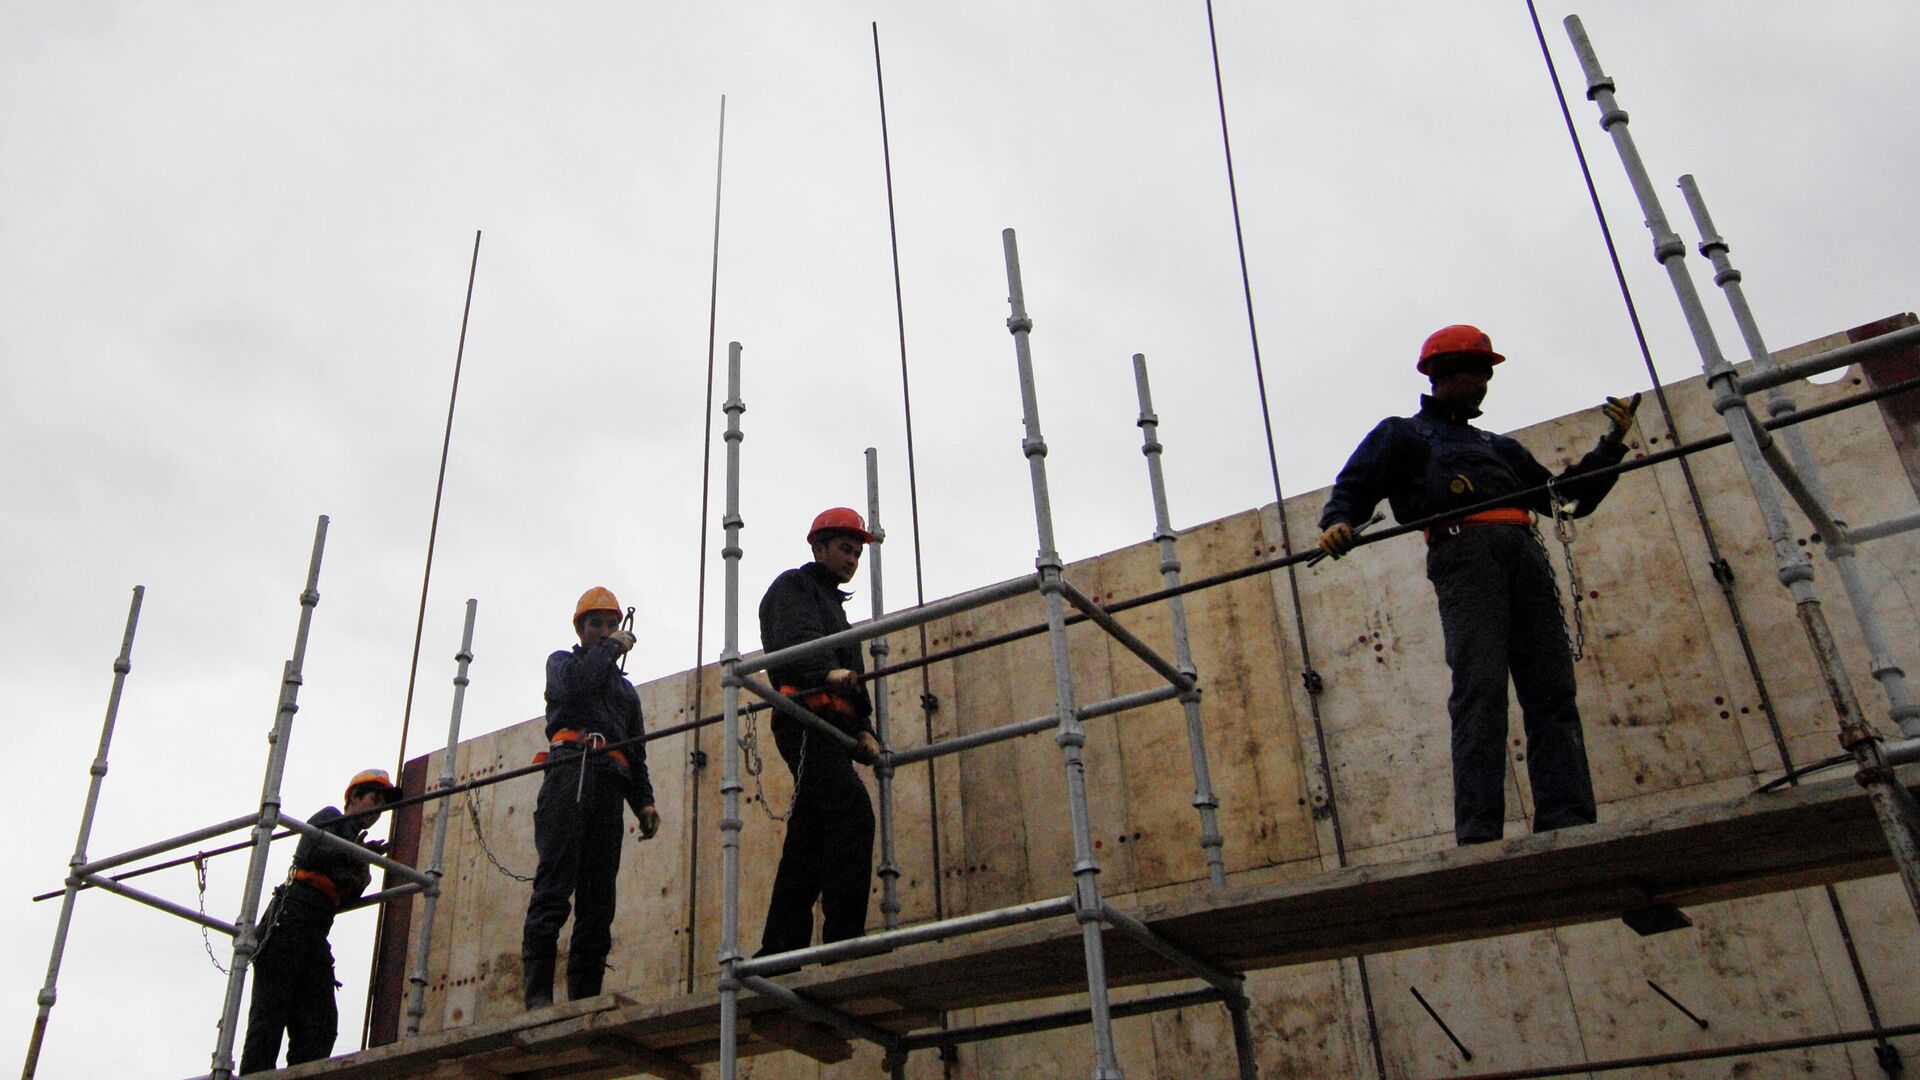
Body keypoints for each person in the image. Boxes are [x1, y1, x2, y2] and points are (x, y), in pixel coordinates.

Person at [1317, 324, 1639, 845]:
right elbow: (1355, 485)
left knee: (1552, 692)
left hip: (1523, 552)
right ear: (1442, 376)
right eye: (1474, 372)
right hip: (1464, 553)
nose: (1483, 383)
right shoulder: (1402, 434)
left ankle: (1568, 820)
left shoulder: (1499, 447)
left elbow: (1564, 497)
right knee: (1480, 690)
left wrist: (1610, 445)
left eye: (1486, 373)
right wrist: (1339, 521)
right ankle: (1480, 831)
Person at [521, 587, 661, 1009]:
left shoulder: (626, 693)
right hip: (569, 773)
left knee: (599, 899)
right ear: (580, 629)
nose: (604, 632)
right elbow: (580, 687)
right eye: (596, 625)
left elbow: (635, 750)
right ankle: (538, 998)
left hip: (609, 782)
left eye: (611, 625)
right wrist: (609, 651)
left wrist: (645, 801)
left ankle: (584, 997)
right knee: (555, 885)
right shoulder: (563, 664)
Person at [756, 507, 885, 957]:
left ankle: (778, 951)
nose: (851, 559)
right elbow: (795, 641)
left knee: (809, 840)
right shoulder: (794, 586)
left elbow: (853, 675)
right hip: (805, 722)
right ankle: (843, 943)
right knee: (852, 814)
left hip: (831, 727)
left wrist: (864, 727)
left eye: (856, 552)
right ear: (819, 547)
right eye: (845, 549)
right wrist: (825, 671)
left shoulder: (837, 612)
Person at [239, 768, 404, 1073]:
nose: (379, 808)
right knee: (270, 1016)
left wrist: (361, 860)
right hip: (288, 922)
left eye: (383, 803)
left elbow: (346, 889)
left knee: (320, 1025)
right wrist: (355, 855)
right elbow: (310, 851)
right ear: (353, 798)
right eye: (374, 797)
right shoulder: (331, 817)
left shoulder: (355, 847)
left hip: (313, 931)